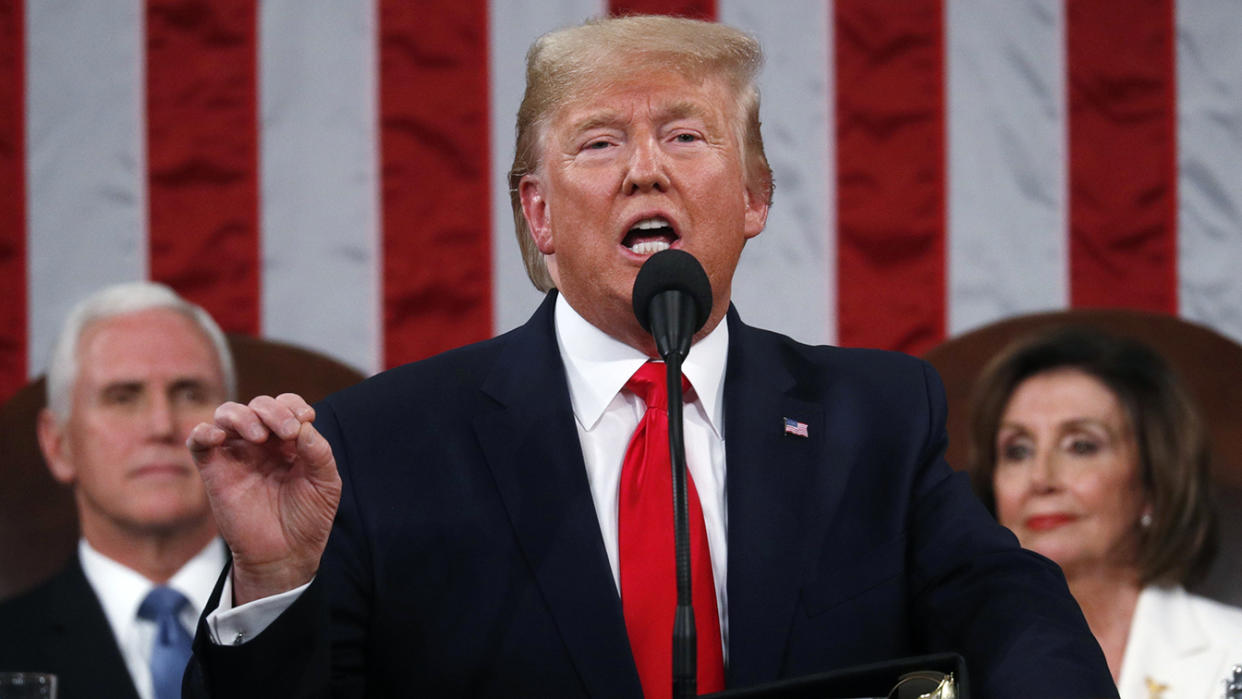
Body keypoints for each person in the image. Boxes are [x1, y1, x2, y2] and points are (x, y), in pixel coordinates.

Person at [184, 15, 1117, 698]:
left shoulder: (873, 417)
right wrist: (275, 582)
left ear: (754, 196)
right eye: (599, 142)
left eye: (683, 134)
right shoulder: (383, 443)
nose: (645, 169)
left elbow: (1012, 612)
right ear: (538, 214)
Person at [968, 325, 1242, 698]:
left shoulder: (1233, 650)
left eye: (1081, 446)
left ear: (1153, 482)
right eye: (1017, 451)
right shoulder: (937, 664)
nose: (1041, 478)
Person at [0, 282, 234, 699]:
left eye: (190, 393)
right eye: (122, 398)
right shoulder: (8, 647)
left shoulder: (335, 631)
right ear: (59, 445)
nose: (161, 426)